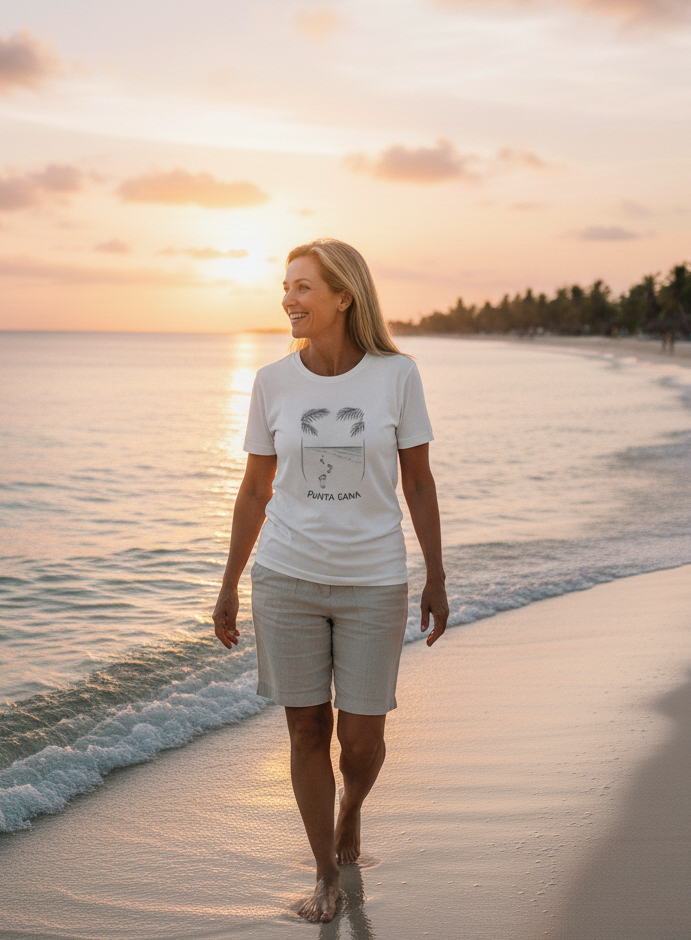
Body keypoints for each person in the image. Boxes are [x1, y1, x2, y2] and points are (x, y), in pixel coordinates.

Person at [212, 238, 448, 923]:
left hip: (374, 582)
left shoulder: (397, 376)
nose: (289, 298)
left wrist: (435, 575)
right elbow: (256, 488)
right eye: (285, 287)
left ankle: (352, 812)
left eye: (304, 287)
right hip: (285, 579)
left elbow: (419, 480)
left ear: (344, 295)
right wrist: (229, 583)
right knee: (307, 731)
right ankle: (324, 872)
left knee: (362, 741)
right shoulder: (271, 382)